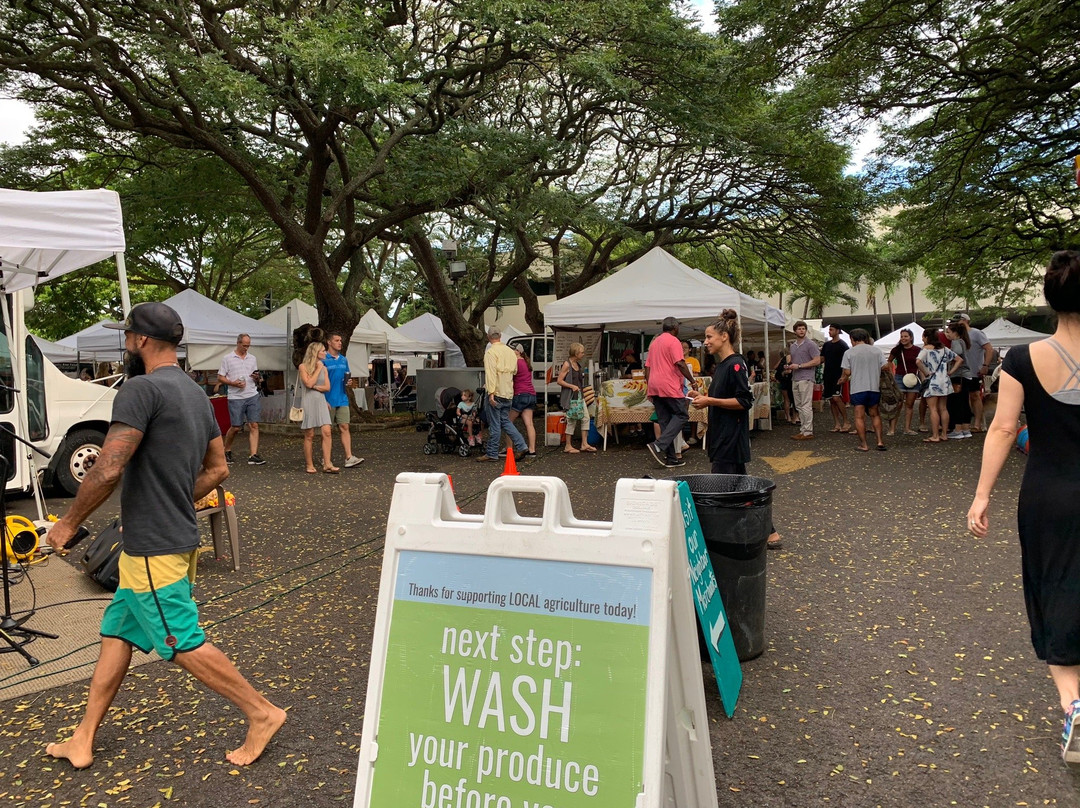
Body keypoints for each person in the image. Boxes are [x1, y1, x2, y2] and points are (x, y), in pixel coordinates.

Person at [44, 302, 285, 769]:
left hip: (156, 547)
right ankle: (82, 738)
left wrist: (66, 524)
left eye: (129, 335)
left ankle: (262, 712)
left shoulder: (140, 390)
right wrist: (175, 496)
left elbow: (108, 465)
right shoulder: (196, 395)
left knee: (178, 640)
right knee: (117, 633)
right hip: (166, 539)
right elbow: (219, 468)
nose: (127, 343)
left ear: (142, 342)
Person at [967, 250, 1080, 764]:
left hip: (1048, 497)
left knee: (1054, 584)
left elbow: (1003, 428)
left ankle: (1072, 704)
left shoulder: (1021, 360)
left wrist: (982, 495)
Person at [688, 310, 783, 550]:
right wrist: (704, 396)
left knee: (720, 490)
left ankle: (717, 539)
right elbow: (722, 397)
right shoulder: (721, 367)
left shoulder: (736, 364)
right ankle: (768, 532)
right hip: (721, 435)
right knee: (740, 488)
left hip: (730, 438)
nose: (706, 341)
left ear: (724, 337)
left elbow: (743, 401)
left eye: (709, 336)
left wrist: (710, 402)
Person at [644, 317, 695, 467]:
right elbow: (680, 362)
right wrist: (692, 380)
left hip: (655, 385)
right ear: (675, 327)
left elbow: (647, 367)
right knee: (682, 415)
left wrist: (649, 385)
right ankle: (658, 444)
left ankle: (671, 458)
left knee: (664, 421)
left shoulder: (655, 343)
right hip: (669, 385)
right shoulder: (674, 341)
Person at [479, 327, 527, 463]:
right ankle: (521, 445)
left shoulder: (490, 353)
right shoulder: (510, 352)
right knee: (505, 421)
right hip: (508, 392)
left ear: (489, 337)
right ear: (500, 336)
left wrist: (491, 393)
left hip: (497, 391)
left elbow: (491, 374)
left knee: (494, 424)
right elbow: (515, 370)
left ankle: (492, 453)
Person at [217, 334, 265, 465]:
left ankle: (253, 454)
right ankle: (226, 450)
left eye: (248, 346)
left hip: (252, 394)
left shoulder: (252, 358)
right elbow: (220, 377)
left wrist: (256, 377)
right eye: (244, 345)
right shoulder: (227, 358)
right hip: (236, 396)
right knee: (236, 427)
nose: (246, 348)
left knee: (254, 424)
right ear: (238, 343)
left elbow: (256, 375)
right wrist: (233, 383)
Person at [839, 328, 888, 451]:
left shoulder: (849, 353)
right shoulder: (876, 351)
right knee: (875, 414)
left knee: (859, 416)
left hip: (858, 388)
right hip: (874, 387)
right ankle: (880, 441)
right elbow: (885, 366)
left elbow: (847, 371)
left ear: (853, 339)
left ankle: (864, 444)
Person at [322, 332, 363, 468]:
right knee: (327, 431)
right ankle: (326, 458)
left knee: (345, 426)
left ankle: (349, 457)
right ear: (329, 342)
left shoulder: (343, 359)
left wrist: (349, 382)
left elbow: (347, 377)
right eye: (337, 340)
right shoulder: (323, 359)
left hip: (342, 397)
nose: (340, 343)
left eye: (341, 340)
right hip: (327, 398)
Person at [916, 328, 961, 443]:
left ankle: (935, 435)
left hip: (932, 381)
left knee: (933, 409)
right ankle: (944, 434)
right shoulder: (944, 349)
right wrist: (950, 372)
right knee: (943, 408)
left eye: (923, 336)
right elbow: (959, 360)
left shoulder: (925, 349)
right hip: (944, 380)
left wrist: (926, 372)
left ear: (926, 337)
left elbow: (918, 361)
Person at [297, 342, 336, 473]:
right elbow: (308, 383)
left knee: (327, 431)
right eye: (323, 351)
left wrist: (316, 387)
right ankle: (309, 464)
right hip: (308, 401)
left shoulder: (324, 368)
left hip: (321, 400)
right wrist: (318, 369)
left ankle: (327, 463)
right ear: (315, 353)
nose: (325, 353)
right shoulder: (303, 367)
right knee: (310, 434)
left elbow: (327, 387)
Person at [954, 312, 995, 431]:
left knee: (975, 395)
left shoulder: (976, 333)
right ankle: (964, 423)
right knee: (962, 397)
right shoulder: (957, 335)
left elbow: (989, 348)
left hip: (974, 370)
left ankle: (978, 423)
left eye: (959, 320)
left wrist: (985, 365)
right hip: (961, 371)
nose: (957, 322)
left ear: (966, 321)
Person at [556, 342, 596, 454]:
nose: (583, 354)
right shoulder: (567, 364)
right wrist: (571, 386)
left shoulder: (578, 365)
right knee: (571, 420)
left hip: (579, 396)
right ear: (576, 353)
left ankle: (584, 443)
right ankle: (568, 445)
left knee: (585, 418)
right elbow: (559, 380)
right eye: (582, 352)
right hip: (571, 397)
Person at [786, 321, 821, 440]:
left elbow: (817, 360)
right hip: (795, 377)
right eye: (799, 329)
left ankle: (808, 431)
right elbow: (793, 361)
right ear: (795, 331)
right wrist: (790, 366)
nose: (801, 331)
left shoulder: (811, 344)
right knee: (799, 405)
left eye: (803, 329)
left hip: (806, 377)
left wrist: (800, 366)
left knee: (805, 405)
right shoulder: (793, 346)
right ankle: (803, 429)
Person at [888, 328, 923, 435]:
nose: (903, 338)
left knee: (910, 404)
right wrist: (892, 374)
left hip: (913, 378)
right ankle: (892, 429)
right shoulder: (897, 350)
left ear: (911, 337)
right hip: (899, 377)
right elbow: (889, 361)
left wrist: (922, 379)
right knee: (897, 404)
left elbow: (921, 364)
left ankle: (907, 428)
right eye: (902, 336)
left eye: (906, 336)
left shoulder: (918, 350)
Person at [945, 320, 975, 439]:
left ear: (955, 333)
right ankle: (966, 428)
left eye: (949, 332)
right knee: (964, 402)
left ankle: (957, 430)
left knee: (956, 403)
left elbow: (957, 354)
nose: (948, 335)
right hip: (966, 375)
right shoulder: (964, 341)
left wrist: (950, 367)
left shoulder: (956, 342)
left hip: (959, 375)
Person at [509, 344, 538, 457]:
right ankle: (532, 450)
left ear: (518, 352)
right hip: (531, 394)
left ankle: (509, 448)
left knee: (508, 422)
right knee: (529, 423)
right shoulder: (526, 363)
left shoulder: (516, 363)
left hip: (520, 394)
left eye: (512, 350)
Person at [820, 324, 850, 433]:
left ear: (838, 331)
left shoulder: (843, 345)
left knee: (837, 398)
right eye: (829, 330)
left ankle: (846, 421)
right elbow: (822, 358)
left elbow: (847, 361)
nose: (829, 331)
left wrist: (844, 376)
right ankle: (837, 423)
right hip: (827, 374)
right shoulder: (826, 345)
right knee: (831, 400)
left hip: (838, 375)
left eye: (831, 330)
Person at [775, 352, 796, 424]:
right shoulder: (795, 358)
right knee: (794, 400)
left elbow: (776, 368)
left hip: (784, 381)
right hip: (792, 381)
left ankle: (788, 417)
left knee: (787, 400)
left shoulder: (783, 360)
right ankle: (795, 417)